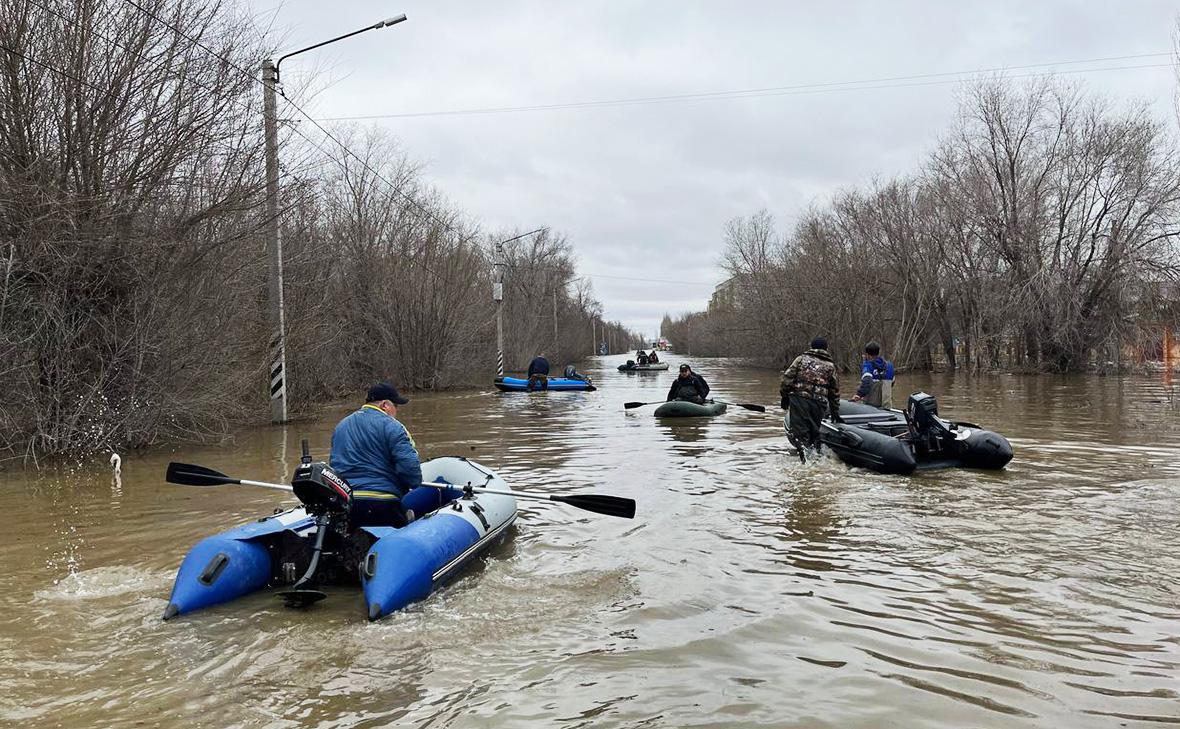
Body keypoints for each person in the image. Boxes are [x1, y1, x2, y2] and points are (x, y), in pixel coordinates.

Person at [330, 381, 440, 528]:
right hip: (382, 503)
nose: (396, 411)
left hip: (347, 504)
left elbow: (334, 465)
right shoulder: (393, 426)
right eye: (396, 406)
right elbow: (410, 469)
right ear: (385, 405)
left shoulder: (341, 426)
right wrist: (413, 484)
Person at [780, 337, 841, 457]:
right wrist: (835, 412)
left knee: (800, 433)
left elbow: (787, 379)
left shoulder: (801, 359)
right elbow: (834, 392)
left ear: (811, 347)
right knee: (814, 432)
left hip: (799, 400)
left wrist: (784, 396)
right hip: (819, 404)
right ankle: (815, 457)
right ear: (826, 349)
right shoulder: (830, 366)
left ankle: (805, 463)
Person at [851, 340, 894, 408]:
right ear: (878, 352)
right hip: (887, 407)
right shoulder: (890, 366)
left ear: (867, 354)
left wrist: (858, 395)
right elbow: (892, 383)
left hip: (871, 408)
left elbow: (867, 382)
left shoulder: (868, 366)